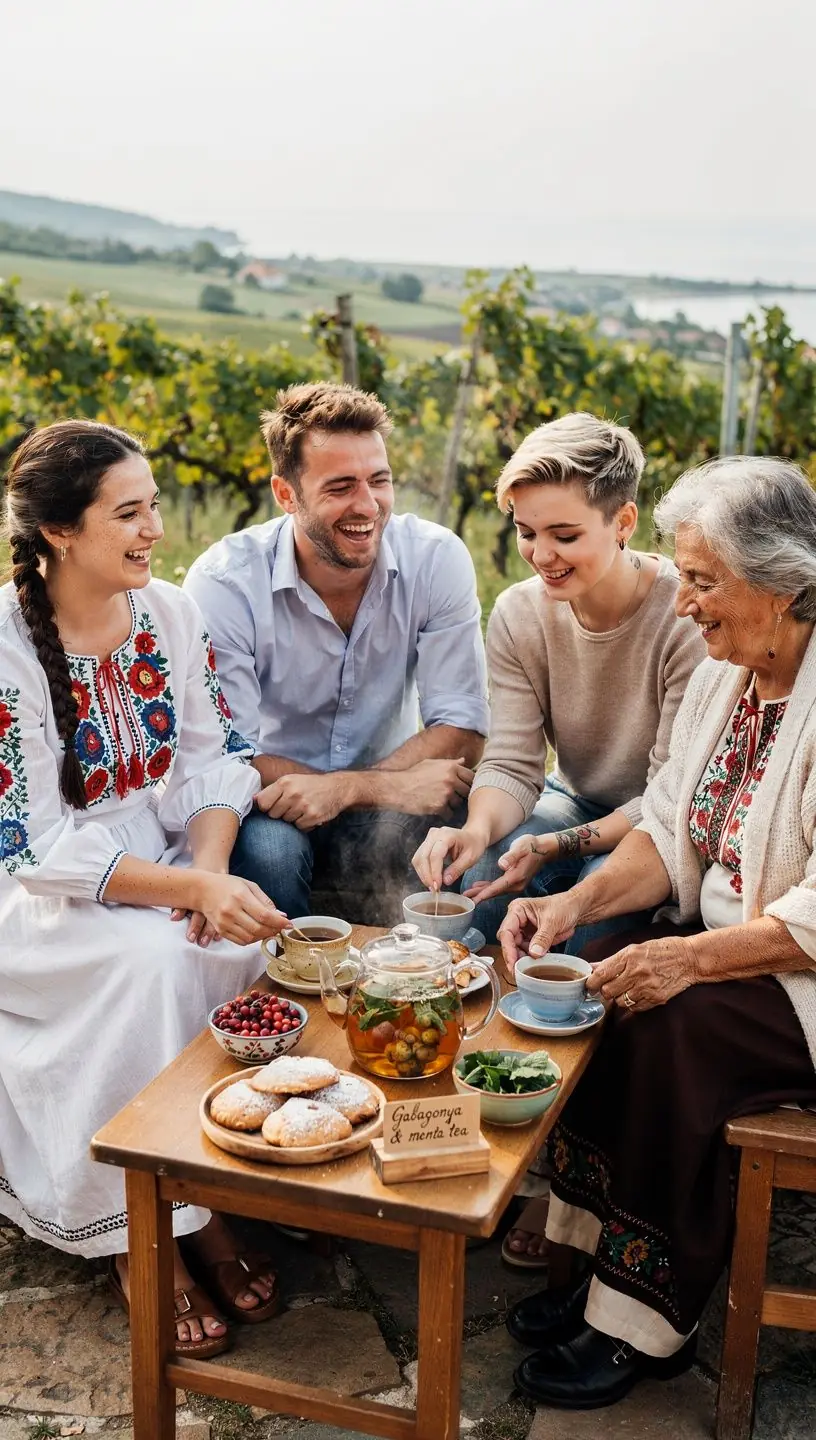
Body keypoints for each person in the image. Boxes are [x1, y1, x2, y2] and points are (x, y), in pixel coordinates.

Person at [499, 455, 816, 1411]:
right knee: (588, 979)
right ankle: (597, 1271)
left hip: (799, 978)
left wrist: (687, 958)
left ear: (782, 583)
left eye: (704, 581)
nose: (684, 604)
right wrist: (577, 904)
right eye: (682, 577)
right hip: (738, 952)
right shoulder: (730, 676)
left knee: (674, 1029)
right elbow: (671, 824)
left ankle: (645, 1320)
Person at [0, 421, 289, 1359]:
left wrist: (209, 876)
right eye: (128, 513)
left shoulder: (168, 610)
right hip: (41, 896)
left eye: (154, 506)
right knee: (155, 963)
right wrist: (186, 888)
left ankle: (203, 1194)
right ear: (59, 532)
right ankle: (139, 1232)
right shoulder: (5, 647)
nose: (155, 530)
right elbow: (34, 844)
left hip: (164, 856)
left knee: (245, 941)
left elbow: (212, 759)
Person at [411, 414, 704, 1262]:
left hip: (663, 826)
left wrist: (558, 851)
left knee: (575, 935)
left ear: (624, 521)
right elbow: (512, 763)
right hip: (574, 805)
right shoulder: (519, 613)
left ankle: (552, 1178)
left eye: (565, 534)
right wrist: (475, 830)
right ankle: (449, 1127)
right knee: (471, 901)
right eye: (527, 532)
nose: (541, 555)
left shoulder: (683, 618)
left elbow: (669, 795)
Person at [184, 382, 489, 924]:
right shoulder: (225, 583)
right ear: (286, 494)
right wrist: (353, 790)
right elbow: (226, 752)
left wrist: (352, 789)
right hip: (274, 798)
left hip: (392, 790)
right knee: (269, 855)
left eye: (379, 481)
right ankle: (290, 973)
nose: (367, 505)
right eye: (341, 487)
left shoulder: (436, 559)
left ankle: (442, 967)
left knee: (481, 823)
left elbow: (463, 726)